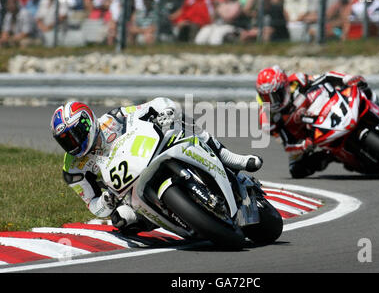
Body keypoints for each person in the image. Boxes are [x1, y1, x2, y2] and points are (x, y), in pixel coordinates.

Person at [50, 98, 262, 234]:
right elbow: (92, 204)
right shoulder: (73, 170)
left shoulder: (114, 118)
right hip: (129, 193)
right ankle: (177, 219)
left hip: (152, 151)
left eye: (75, 135)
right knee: (122, 220)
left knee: (181, 123)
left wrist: (165, 111)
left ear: (88, 121)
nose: (74, 143)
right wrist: (105, 202)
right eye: (66, 141)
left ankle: (228, 157)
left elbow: (152, 105)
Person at [255, 65, 379, 178]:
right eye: (266, 98)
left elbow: (325, 76)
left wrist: (346, 78)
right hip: (308, 137)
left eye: (275, 96)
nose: (272, 102)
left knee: (361, 88)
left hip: (327, 111)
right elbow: (286, 143)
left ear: (285, 87)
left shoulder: (298, 81)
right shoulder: (267, 119)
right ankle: (333, 155)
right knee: (297, 170)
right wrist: (303, 145)